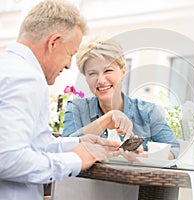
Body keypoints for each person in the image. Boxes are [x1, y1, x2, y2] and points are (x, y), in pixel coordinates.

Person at [0, 1, 122, 199]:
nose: (68, 65)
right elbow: (8, 158)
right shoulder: (25, 78)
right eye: (70, 54)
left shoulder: (8, 67)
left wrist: (78, 143)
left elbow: (32, 144)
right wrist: (75, 160)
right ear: (53, 42)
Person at [62, 37, 180, 159]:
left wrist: (144, 157)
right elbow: (65, 149)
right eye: (92, 73)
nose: (101, 80)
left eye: (108, 70)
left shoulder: (148, 111)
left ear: (123, 71)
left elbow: (174, 150)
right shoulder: (77, 108)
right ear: (86, 77)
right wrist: (108, 118)